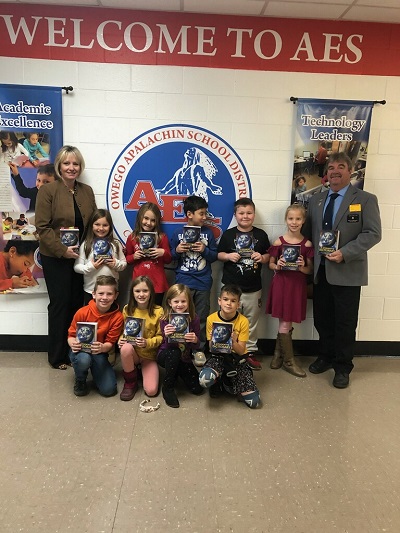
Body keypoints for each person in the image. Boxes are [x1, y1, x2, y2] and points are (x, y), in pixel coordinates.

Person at [304, 152, 381, 388]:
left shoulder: (366, 199)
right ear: (326, 172)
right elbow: (309, 234)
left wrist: (345, 252)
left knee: (345, 323)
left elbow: (373, 234)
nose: (335, 171)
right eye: (331, 167)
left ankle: (343, 366)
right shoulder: (316, 199)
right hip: (321, 271)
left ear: (350, 171)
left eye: (340, 167)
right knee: (323, 320)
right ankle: (326, 356)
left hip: (347, 271)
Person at [35, 145, 97, 370]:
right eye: (67, 163)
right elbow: (42, 228)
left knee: (77, 303)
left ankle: (75, 350)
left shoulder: (87, 191)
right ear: (59, 166)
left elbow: (94, 224)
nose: (72, 168)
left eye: (75, 164)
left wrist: (92, 249)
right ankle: (57, 356)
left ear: (80, 167)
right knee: (60, 304)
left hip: (80, 257)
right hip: (56, 257)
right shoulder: (48, 190)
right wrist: (63, 250)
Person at [217, 198, 270, 370]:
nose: (245, 216)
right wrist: (228, 256)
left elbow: (269, 256)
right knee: (228, 319)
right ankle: (226, 350)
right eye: (241, 213)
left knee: (250, 322)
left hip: (253, 288)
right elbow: (218, 255)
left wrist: (262, 258)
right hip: (231, 288)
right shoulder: (228, 234)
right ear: (235, 215)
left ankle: (249, 352)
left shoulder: (261, 235)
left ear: (254, 214)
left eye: (249, 213)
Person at [266, 204, 314, 377]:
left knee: (286, 322)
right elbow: (271, 264)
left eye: (298, 219)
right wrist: (277, 265)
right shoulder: (279, 242)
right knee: (285, 322)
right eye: (291, 218)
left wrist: (302, 266)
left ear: (303, 221)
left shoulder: (307, 243)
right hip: (281, 283)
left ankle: (278, 355)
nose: (294, 222)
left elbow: (310, 270)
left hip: (297, 286)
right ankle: (289, 361)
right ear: (286, 220)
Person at [170, 195, 218, 367]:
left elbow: (214, 256)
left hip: (203, 281)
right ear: (189, 214)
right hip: (183, 282)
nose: (205, 217)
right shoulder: (177, 233)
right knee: (180, 316)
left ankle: (198, 349)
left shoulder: (208, 233)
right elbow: (170, 256)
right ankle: (181, 347)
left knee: (201, 317)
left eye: (205, 214)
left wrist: (205, 250)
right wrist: (177, 250)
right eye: (202, 214)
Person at [198, 284, 260, 409]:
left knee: (254, 402)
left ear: (238, 304)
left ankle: (230, 382)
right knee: (204, 380)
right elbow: (211, 348)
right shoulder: (211, 319)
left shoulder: (243, 321)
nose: (228, 304)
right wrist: (213, 340)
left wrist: (232, 341)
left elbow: (241, 351)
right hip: (218, 356)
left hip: (237, 358)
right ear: (219, 301)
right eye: (225, 299)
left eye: (233, 301)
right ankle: (218, 381)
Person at [67, 275, 123, 397]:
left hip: (99, 352)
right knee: (83, 360)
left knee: (108, 390)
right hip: (80, 351)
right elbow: (70, 335)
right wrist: (73, 343)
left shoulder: (118, 317)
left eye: (109, 294)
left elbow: (110, 342)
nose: (104, 297)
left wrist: (103, 348)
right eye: (101, 293)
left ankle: (96, 368)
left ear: (115, 296)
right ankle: (80, 379)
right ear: (94, 294)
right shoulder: (82, 312)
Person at [157, 283, 204, 408]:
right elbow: (164, 345)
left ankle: (176, 371)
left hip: (184, 357)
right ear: (169, 302)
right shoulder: (164, 319)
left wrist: (195, 340)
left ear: (189, 302)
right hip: (165, 354)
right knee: (174, 352)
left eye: (183, 301)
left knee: (197, 389)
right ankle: (168, 387)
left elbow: (196, 346)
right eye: (176, 301)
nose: (180, 304)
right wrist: (166, 335)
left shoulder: (194, 319)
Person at [118, 276, 163, 401]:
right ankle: (130, 382)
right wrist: (121, 339)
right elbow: (123, 332)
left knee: (151, 391)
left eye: (145, 291)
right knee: (125, 348)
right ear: (132, 292)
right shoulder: (128, 309)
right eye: (137, 291)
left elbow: (161, 337)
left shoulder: (159, 311)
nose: (141, 294)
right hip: (133, 353)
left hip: (149, 355)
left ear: (151, 293)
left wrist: (147, 342)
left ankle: (139, 371)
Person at [74, 208, 127, 304]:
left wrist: (116, 264)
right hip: (91, 291)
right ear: (91, 225)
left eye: (105, 225)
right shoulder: (86, 244)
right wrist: (91, 267)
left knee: (111, 317)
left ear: (110, 226)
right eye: (97, 224)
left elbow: (124, 264)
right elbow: (76, 267)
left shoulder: (115, 244)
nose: (101, 228)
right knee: (91, 318)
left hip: (111, 292)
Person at [125, 202, 171, 306]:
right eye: (146, 218)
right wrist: (134, 256)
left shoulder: (162, 237)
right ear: (140, 218)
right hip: (139, 285)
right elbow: (126, 259)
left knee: (156, 313)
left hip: (158, 284)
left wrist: (163, 252)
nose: (149, 223)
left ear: (157, 222)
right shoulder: (132, 238)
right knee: (138, 313)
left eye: (153, 220)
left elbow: (169, 259)